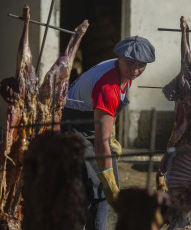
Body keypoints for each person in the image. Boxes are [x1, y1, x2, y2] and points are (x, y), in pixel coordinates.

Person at [62, 36, 155, 230]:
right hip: (72, 126)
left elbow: (109, 115)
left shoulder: (124, 73)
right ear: (119, 57)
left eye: (141, 65)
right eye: (130, 63)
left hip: (92, 124)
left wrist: (111, 133)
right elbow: (100, 143)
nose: (135, 70)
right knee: (93, 186)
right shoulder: (109, 86)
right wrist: (109, 183)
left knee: (104, 190)